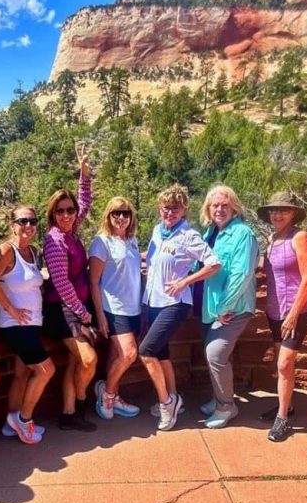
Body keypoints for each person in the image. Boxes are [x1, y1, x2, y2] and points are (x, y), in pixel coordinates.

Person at [141, 184, 221, 432]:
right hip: (153, 301)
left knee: (146, 352)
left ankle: (167, 403)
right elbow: (157, 259)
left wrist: (185, 281)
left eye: (175, 208)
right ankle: (175, 398)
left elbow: (213, 263)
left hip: (175, 303)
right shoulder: (158, 231)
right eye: (166, 207)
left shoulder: (188, 235)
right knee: (161, 353)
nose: (170, 212)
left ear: (184, 209)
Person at [0, 205, 55, 444]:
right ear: (12, 225)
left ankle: (10, 424)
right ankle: (24, 420)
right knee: (46, 370)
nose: (28, 226)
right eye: (23, 221)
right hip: (15, 326)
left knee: (22, 373)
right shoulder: (7, 250)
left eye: (32, 221)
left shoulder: (32, 251)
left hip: (31, 324)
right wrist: (11, 308)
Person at [42, 143, 98, 432]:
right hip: (64, 311)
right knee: (88, 359)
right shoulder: (54, 241)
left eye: (70, 210)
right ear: (53, 214)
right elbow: (62, 284)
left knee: (76, 363)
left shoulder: (72, 232)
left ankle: (69, 414)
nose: (67, 215)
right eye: (60, 211)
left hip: (76, 308)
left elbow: (85, 203)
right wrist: (84, 315)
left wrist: (84, 173)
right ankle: (82, 401)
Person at [198, 185, 260, 430]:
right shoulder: (211, 232)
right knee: (216, 355)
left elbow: (242, 274)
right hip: (212, 308)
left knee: (215, 353)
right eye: (215, 205)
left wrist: (224, 307)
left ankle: (226, 406)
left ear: (234, 208)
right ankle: (219, 399)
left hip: (233, 308)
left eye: (225, 205)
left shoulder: (243, 234)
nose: (219, 209)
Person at [257, 192, 307, 441]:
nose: (277, 214)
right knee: (280, 363)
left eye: (283, 210)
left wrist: (293, 313)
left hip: (297, 311)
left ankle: (282, 418)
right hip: (274, 310)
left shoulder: (299, 237)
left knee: (284, 364)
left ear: (293, 213)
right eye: (274, 210)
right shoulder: (272, 239)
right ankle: (286, 405)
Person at [89, 196, 142, 420]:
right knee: (129, 354)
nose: (121, 217)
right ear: (108, 216)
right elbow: (93, 282)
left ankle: (116, 397)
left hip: (133, 307)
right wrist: (100, 316)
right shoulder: (102, 242)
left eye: (125, 213)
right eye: (116, 213)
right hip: (113, 307)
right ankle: (107, 393)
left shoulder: (132, 240)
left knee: (116, 355)